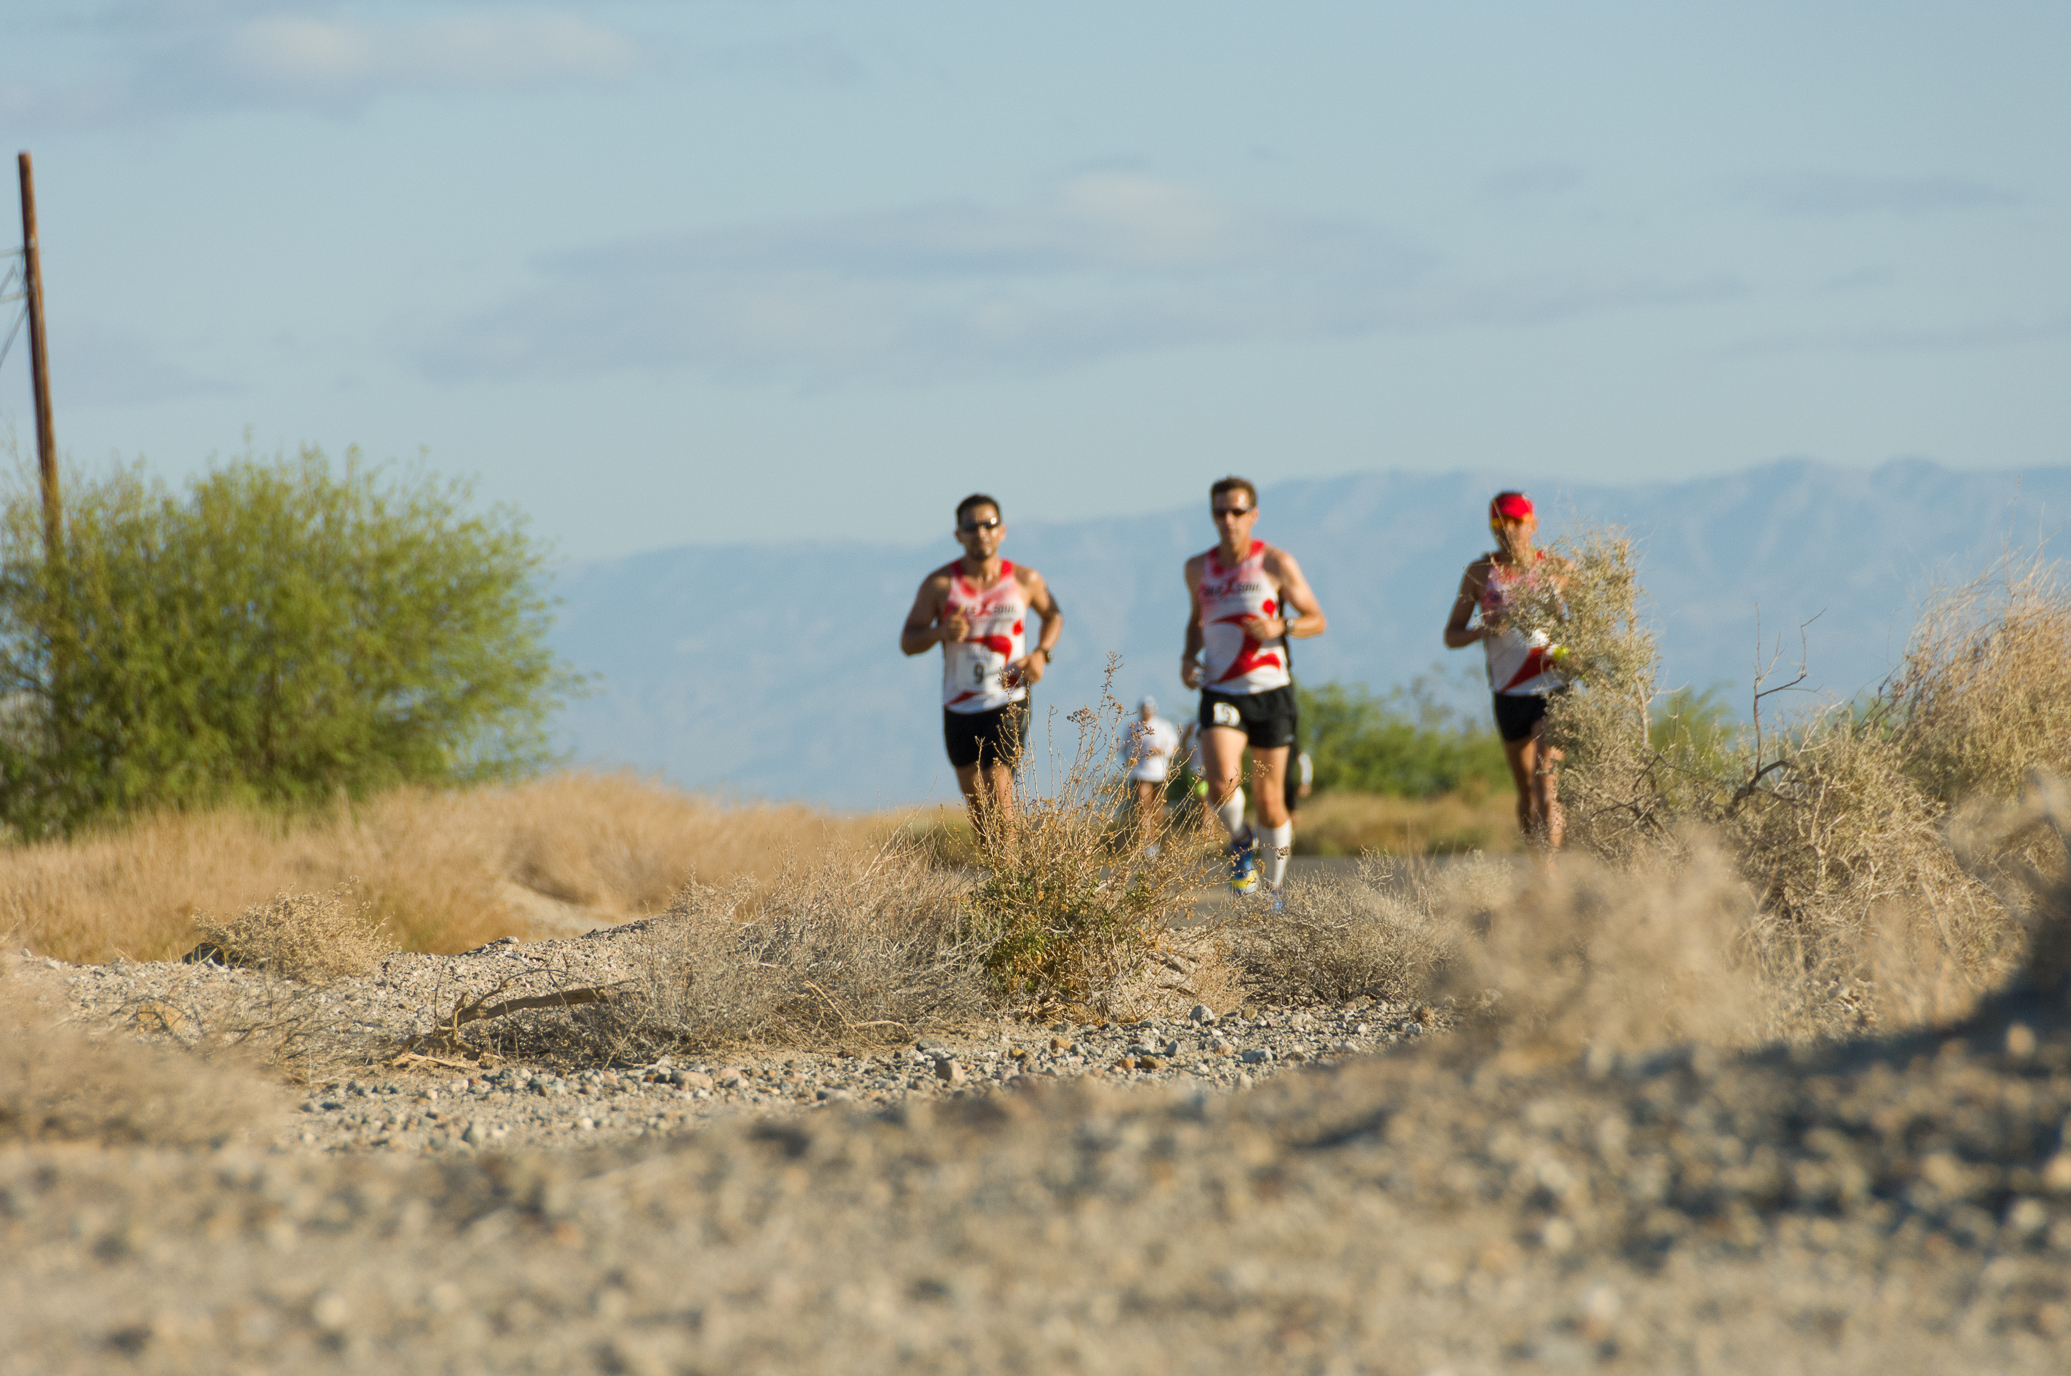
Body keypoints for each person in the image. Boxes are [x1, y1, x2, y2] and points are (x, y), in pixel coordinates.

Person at [1181, 476, 1327, 896]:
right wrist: (1188, 657)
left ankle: (1275, 893)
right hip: (1221, 690)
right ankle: (1240, 838)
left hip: (1271, 692)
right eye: (1220, 512)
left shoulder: (1275, 564)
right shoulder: (1198, 569)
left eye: (1237, 511)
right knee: (1222, 784)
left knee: (1270, 800)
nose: (1228, 520)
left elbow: (1317, 619)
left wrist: (1281, 625)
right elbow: (1196, 621)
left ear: (1253, 515)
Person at [900, 494, 1062, 840]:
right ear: (958, 534)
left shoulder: (1024, 580)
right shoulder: (941, 585)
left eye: (988, 525)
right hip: (960, 703)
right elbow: (908, 641)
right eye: (971, 526)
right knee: (976, 800)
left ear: (1002, 531)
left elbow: (1053, 615)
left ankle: (1015, 882)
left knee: (997, 781)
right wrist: (940, 631)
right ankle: (999, 876)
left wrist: (1041, 654)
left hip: (1009, 695)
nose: (980, 533)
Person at [1443, 490, 1568, 850]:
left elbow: (1592, 622)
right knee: (1527, 791)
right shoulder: (1481, 572)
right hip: (1508, 691)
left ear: (1533, 523)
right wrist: (1484, 628)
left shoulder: (1559, 569)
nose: (1508, 529)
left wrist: (1576, 651)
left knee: (1547, 783)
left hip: (1553, 686)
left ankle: (1552, 878)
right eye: (1499, 522)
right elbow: (1451, 635)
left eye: (1516, 521)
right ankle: (1538, 870)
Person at [1123, 696, 1180, 850]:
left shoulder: (1163, 726)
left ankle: (1155, 840)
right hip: (1140, 773)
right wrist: (1133, 757)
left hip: (1159, 773)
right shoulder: (1132, 728)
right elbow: (1125, 749)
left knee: (1157, 809)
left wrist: (1161, 751)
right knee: (1143, 806)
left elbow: (1174, 747)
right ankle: (1146, 842)